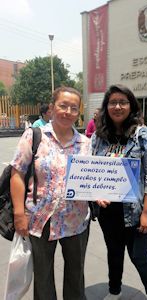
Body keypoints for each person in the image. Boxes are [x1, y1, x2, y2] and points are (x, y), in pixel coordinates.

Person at [9, 87, 91, 300]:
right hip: (40, 219)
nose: (68, 111)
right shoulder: (34, 136)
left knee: (76, 274)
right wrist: (19, 214)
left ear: (78, 112)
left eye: (74, 108)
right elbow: (17, 173)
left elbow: (90, 179)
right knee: (43, 277)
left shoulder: (85, 143)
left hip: (76, 220)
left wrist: (98, 193)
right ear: (52, 107)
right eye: (63, 105)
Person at [91, 84, 147, 300]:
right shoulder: (98, 137)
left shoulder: (143, 136)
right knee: (114, 253)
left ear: (131, 106)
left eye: (123, 102)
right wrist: (95, 193)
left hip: (136, 210)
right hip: (108, 211)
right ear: (106, 107)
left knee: (140, 256)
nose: (118, 106)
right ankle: (114, 290)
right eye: (113, 102)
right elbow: (92, 171)